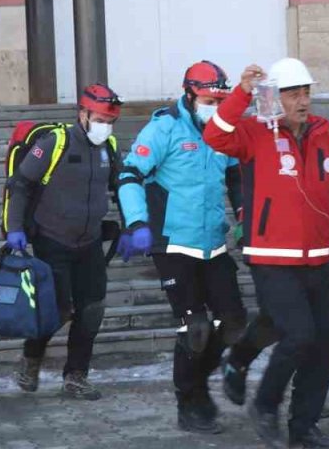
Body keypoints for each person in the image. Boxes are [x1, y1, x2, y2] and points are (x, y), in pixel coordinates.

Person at [203, 58, 329, 449]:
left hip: (317, 256)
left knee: (325, 343)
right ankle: (265, 404)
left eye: (306, 92)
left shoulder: (323, 135)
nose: (303, 100)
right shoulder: (255, 132)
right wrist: (242, 93)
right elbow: (214, 134)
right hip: (271, 256)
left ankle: (303, 427)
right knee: (298, 334)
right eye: (293, 93)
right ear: (276, 97)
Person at [115, 61, 250, 434]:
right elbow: (129, 174)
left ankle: (200, 384)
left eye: (219, 100)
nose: (214, 107)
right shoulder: (164, 127)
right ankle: (187, 402)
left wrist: (244, 216)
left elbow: (236, 176)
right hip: (174, 243)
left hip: (212, 242)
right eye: (208, 99)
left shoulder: (223, 129)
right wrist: (138, 222)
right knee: (196, 325)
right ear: (190, 93)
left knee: (234, 321)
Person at [4, 83, 123, 401]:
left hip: (90, 243)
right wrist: (14, 228)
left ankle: (76, 376)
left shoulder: (108, 147)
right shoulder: (55, 142)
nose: (105, 126)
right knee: (58, 308)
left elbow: (122, 186)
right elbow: (21, 184)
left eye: (110, 120)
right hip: (52, 240)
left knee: (92, 310)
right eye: (100, 118)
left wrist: (132, 225)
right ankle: (30, 361)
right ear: (82, 113)